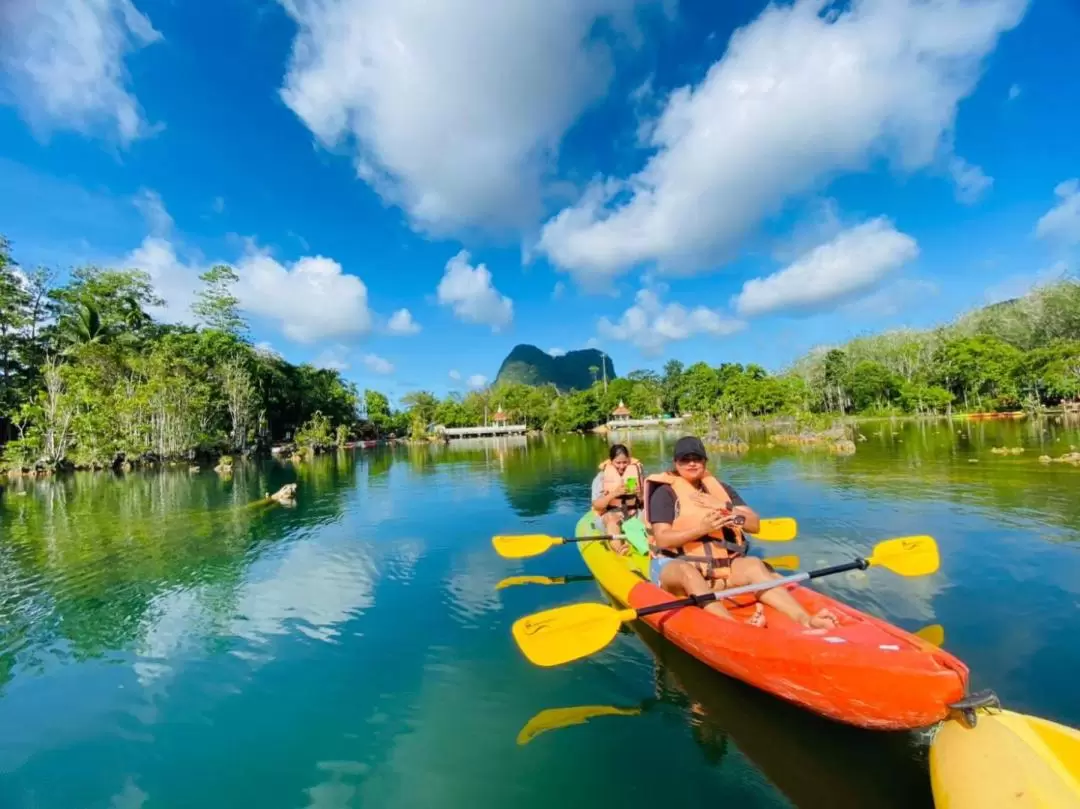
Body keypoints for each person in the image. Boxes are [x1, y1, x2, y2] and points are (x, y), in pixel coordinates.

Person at [643, 436, 838, 630]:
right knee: (688, 572)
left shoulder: (721, 490)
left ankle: (805, 619)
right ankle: (735, 628)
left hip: (718, 567)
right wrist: (702, 529)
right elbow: (662, 539)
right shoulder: (665, 493)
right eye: (685, 459)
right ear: (676, 463)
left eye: (697, 458)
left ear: (705, 461)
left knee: (753, 564)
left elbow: (754, 525)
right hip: (674, 565)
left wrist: (726, 508)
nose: (692, 463)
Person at [591, 444, 645, 555]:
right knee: (612, 520)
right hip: (611, 514)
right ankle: (619, 549)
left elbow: (644, 501)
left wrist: (640, 495)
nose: (622, 466)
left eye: (625, 462)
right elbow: (597, 505)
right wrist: (614, 493)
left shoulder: (636, 473)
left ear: (629, 461)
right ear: (611, 461)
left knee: (651, 516)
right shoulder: (601, 477)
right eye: (618, 463)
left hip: (633, 513)